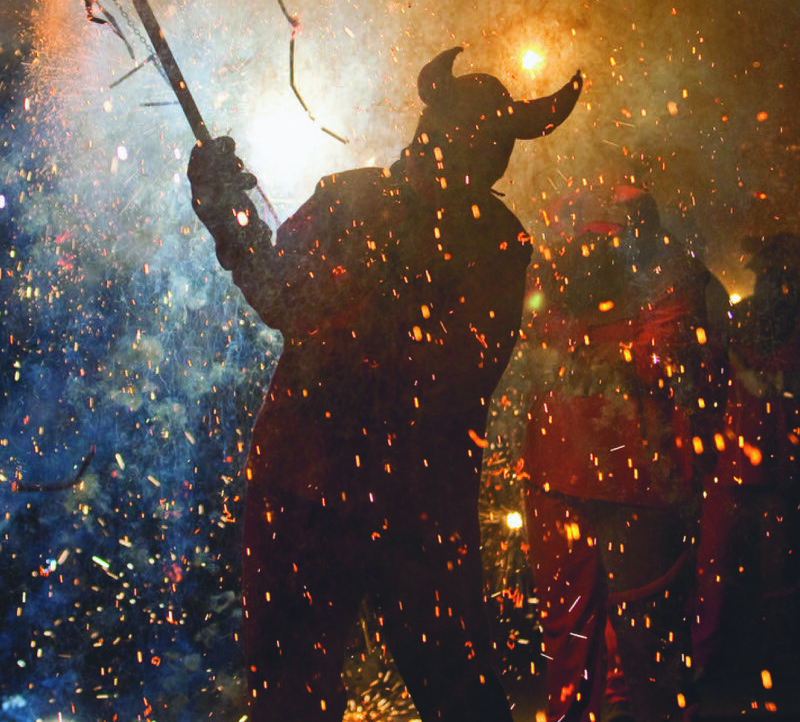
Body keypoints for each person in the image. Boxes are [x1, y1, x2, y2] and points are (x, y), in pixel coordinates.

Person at [187, 46, 582, 722]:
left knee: (411, 693)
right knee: (317, 695)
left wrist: (237, 219)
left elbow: (449, 369)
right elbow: (290, 300)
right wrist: (232, 213)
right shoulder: (396, 210)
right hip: (354, 492)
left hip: (364, 493)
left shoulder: (474, 237)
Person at [519, 184, 727, 722]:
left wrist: (582, 337)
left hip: (624, 472)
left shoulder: (667, 269)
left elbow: (660, 357)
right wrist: (614, 336)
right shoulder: (663, 269)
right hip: (595, 471)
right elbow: (540, 333)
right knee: (610, 634)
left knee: (630, 635)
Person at [693, 232, 800, 681]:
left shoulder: (751, 324)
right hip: (739, 464)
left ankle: (772, 660)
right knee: (719, 569)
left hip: (766, 467)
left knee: (773, 573)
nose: (774, 283)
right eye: (771, 274)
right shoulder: (741, 323)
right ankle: (711, 660)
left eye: (781, 275)